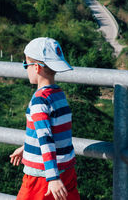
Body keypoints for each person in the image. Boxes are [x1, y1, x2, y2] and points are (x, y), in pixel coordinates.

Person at [10, 37, 80, 200]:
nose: (25, 69)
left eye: (25, 65)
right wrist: (26, 147)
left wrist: (53, 178)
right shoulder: (59, 95)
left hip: (43, 176)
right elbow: (51, 132)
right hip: (67, 170)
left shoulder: (39, 101)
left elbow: (46, 139)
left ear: (36, 67)